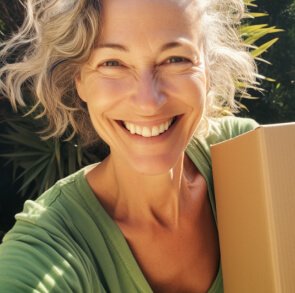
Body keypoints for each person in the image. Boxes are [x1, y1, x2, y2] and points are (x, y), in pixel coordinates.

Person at [0, 0, 259, 292]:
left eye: (175, 59)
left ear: (207, 71)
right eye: (113, 63)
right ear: (80, 80)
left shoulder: (247, 157)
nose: (148, 103)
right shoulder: (50, 243)